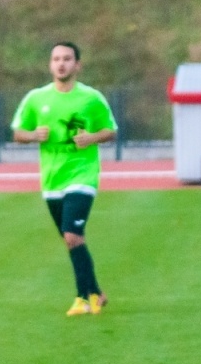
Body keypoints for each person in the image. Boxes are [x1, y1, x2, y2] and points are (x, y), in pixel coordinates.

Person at [10, 42, 119, 315]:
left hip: (82, 174)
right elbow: (18, 132)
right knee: (72, 239)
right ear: (50, 65)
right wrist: (34, 135)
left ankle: (83, 298)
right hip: (51, 179)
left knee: (72, 234)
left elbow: (111, 130)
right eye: (56, 59)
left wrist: (92, 138)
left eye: (67, 59)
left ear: (77, 65)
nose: (61, 64)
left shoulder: (91, 98)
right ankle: (98, 292)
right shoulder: (36, 98)